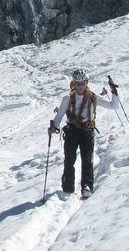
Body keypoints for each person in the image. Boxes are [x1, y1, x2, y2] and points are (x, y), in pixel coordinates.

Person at [48, 69, 120, 198]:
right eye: (78, 83)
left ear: (86, 83)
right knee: (69, 160)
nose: (80, 86)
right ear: (74, 84)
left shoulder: (93, 97)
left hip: (87, 131)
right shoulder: (67, 99)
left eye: (82, 83)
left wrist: (114, 92)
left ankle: (87, 186)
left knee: (86, 159)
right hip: (72, 131)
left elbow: (113, 106)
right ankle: (67, 188)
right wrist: (53, 127)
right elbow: (59, 115)